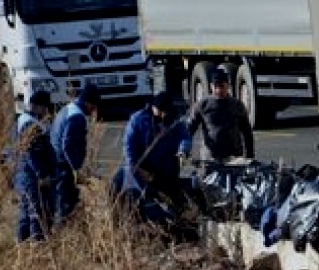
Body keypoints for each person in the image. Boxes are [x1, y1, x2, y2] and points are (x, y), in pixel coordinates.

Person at [111, 91, 190, 219]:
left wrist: (183, 151)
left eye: (166, 111)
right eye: (161, 110)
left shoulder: (174, 120)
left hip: (168, 171)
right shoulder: (138, 120)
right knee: (145, 204)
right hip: (143, 172)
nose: (164, 114)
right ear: (154, 106)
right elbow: (129, 147)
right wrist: (138, 169)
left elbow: (184, 137)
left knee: (173, 204)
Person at [180, 65, 255, 166]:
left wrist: (250, 157)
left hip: (233, 159)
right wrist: (184, 150)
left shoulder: (237, 105)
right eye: (216, 87)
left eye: (222, 86)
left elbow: (247, 133)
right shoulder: (202, 105)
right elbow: (189, 130)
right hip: (210, 159)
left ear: (228, 86)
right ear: (211, 86)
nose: (219, 90)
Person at [50, 84, 100, 227]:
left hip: (57, 163)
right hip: (64, 166)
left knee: (63, 201)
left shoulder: (67, 109)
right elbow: (68, 146)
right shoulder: (77, 117)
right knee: (66, 204)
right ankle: (63, 236)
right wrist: (76, 169)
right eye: (93, 106)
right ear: (88, 102)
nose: (94, 110)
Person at [12, 91, 57, 242]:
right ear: (38, 107)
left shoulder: (23, 119)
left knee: (26, 211)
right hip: (32, 176)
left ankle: (22, 246)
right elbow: (32, 153)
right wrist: (42, 174)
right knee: (36, 212)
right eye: (45, 108)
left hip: (24, 174)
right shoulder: (30, 125)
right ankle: (37, 247)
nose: (46, 112)